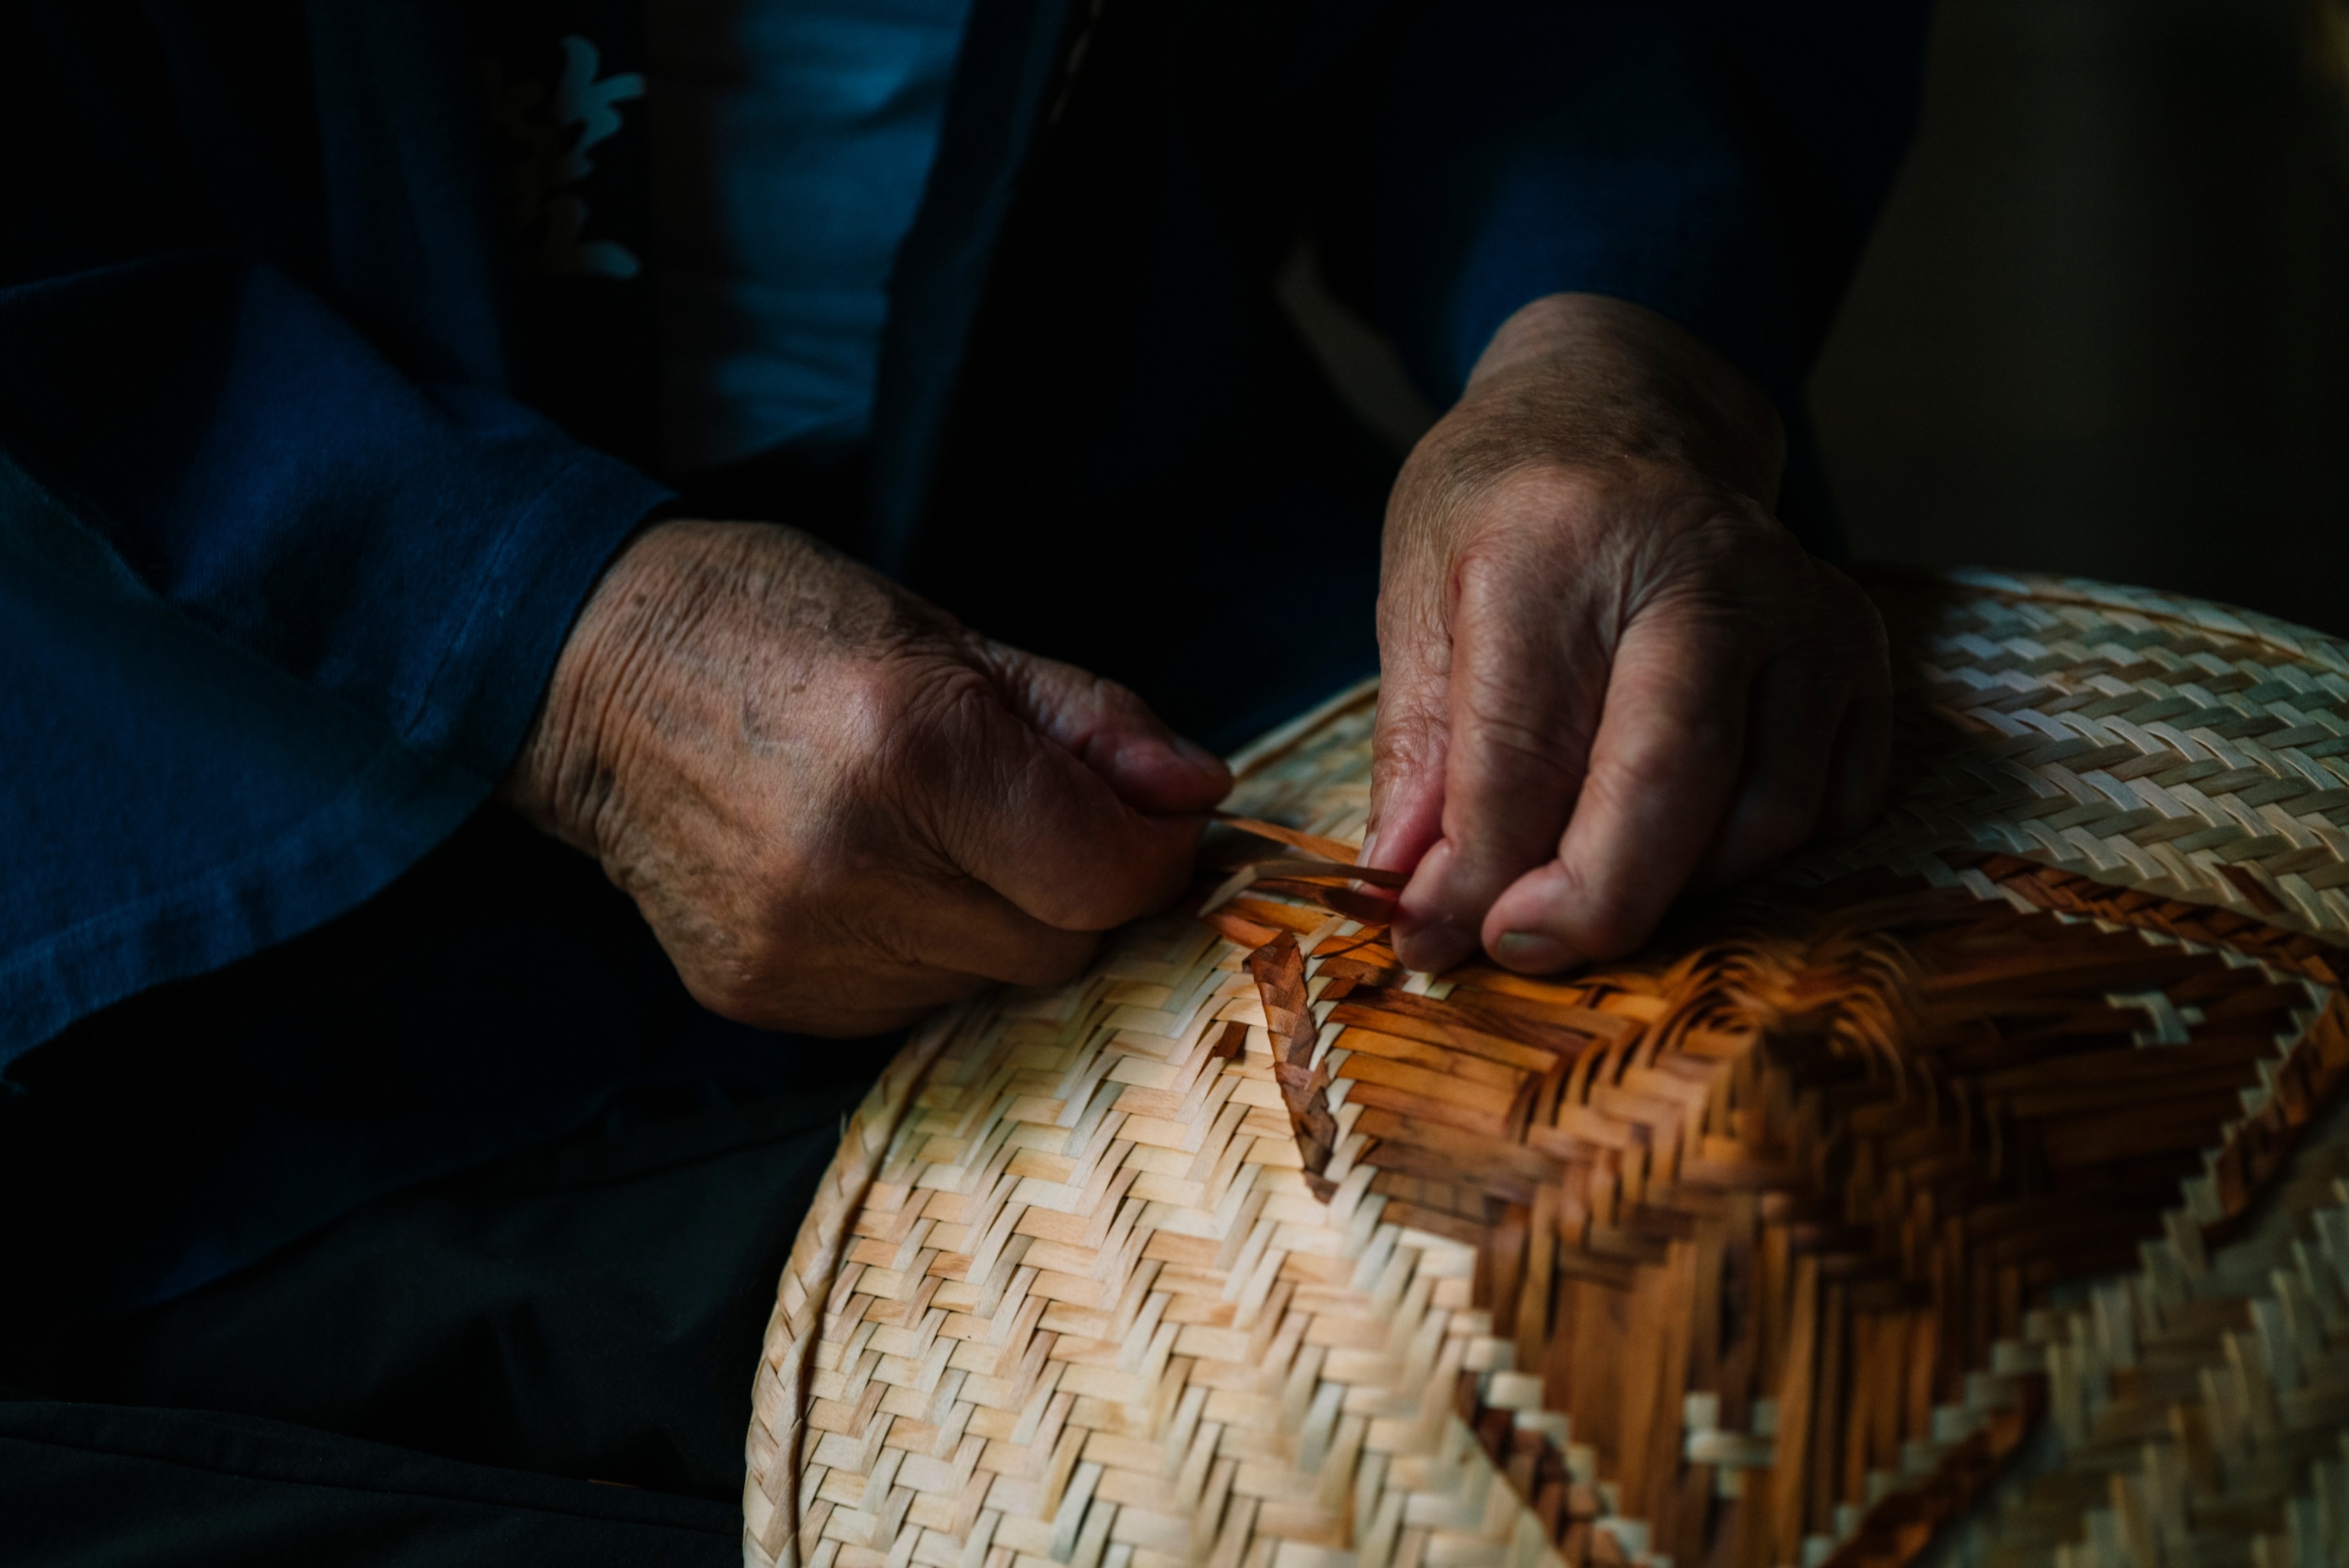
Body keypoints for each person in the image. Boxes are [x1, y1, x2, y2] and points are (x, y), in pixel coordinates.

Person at [0, 1, 1926, 1560]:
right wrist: (549, 644)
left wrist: (1605, 363)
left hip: (1156, 617)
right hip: (198, 817)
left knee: (1785, 1266)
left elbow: (1575, 48)